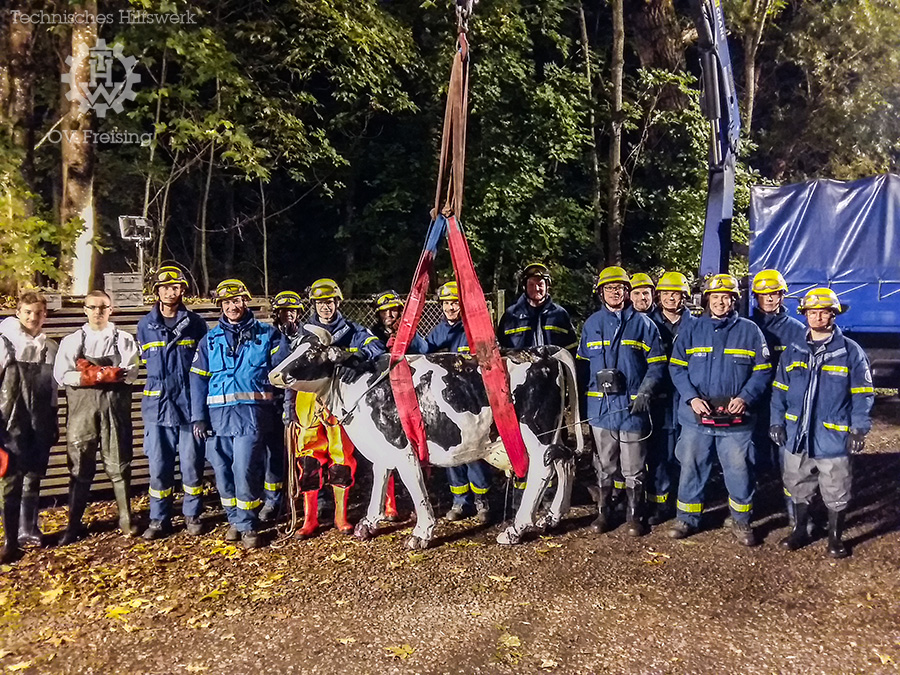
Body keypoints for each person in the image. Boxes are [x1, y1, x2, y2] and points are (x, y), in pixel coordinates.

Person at [667, 274, 772, 546]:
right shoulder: (691, 330)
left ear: (734, 300)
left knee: (739, 468)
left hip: (736, 420)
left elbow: (762, 371)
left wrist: (746, 397)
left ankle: (741, 520)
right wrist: (691, 398)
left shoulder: (750, 331)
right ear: (706, 300)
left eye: (726, 297)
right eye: (715, 297)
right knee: (692, 466)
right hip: (697, 417)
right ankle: (687, 519)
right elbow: (676, 367)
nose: (721, 302)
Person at [770, 288, 873, 558]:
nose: (817, 317)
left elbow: (862, 393)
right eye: (811, 312)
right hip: (797, 433)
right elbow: (779, 389)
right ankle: (800, 530)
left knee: (837, 486)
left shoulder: (850, 351)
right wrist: (776, 422)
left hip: (831, 434)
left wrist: (858, 427)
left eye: (823, 311)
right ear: (804, 315)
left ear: (833, 315)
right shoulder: (793, 349)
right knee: (797, 482)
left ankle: (835, 538)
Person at [190, 279, 288, 549]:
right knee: (222, 471)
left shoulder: (268, 335)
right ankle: (235, 519)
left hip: (251, 417)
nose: (231, 307)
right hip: (217, 419)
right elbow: (197, 381)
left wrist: (283, 406)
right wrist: (198, 416)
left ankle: (247, 525)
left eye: (236, 301)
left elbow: (283, 374)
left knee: (243, 470)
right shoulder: (209, 340)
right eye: (226, 302)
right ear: (220, 306)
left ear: (246, 301)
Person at [291, 279, 385, 538]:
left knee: (341, 459)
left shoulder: (351, 330)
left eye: (330, 302)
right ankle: (309, 520)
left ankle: (340, 518)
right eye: (321, 303)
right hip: (308, 401)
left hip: (338, 400)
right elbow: (283, 363)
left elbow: (376, 347)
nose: (325, 307)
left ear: (337, 302)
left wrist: (351, 356)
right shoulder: (303, 332)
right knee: (308, 461)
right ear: (314, 305)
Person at [577, 266, 666, 537]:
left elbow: (657, 365)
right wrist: (582, 408)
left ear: (627, 291)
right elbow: (582, 368)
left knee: (633, 466)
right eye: (609, 288)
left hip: (632, 408)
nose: (614, 292)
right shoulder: (592, 324)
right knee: (604, 464)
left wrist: (646, 391)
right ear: (601, 292)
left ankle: (634, 515)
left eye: (619, 288)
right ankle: (604, 514)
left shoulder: (643, 324)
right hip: (601, 409)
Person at [54, 290, 141, 544]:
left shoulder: (123, 339)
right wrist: (89, 377)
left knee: (119, 463)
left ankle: (126, 518)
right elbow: (62, 375)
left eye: (103, 307)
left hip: (115, 409)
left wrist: (112, 374)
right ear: (85, 309)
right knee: (80, 466)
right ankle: (73, 524)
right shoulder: (73, 340)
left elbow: (132, 371)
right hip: (82, 412)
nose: (98, 312)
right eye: (93, 307)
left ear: (111, 309)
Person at [137, 266, 209, 540]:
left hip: (189, 407)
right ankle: (159, 519)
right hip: (157, 409)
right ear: (157, 291)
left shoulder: (195, 323)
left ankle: (192, 514)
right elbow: (146, 364)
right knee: (158, 466)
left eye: (175, 287)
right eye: (165, 287)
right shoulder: (145, 325)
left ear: (183, 290)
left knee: (192, 465)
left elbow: (203, 367)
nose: (170, 291)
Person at [426, 281, 492, 523]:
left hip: (472, 403)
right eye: (446, 303)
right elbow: (425, 349)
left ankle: (482, 502)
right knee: (451, 452)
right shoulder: (438, 331)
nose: (450, 307)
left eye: (454, 302)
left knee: (473, 451)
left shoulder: (473, 329)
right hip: (447, 404)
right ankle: (460, 501)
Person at [0, 292, 59, 562]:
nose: (33, 318)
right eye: (27, 312)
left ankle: (29, 529)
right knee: (10, 480)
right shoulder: (4, 342)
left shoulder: (50, 347)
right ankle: (10, 540)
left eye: (38, 313)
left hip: (40, 420)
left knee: (34, 476)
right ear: (18, 313)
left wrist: (54, 417)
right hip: (9, 422)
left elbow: (54, 389)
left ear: (45, 315)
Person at [645, 271, 694, 524]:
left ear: (684, 296)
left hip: (687, 398)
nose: (671, 298)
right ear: (659, 296)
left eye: (675, 293)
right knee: (659, 453)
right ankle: (659, 503)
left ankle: (683, 500)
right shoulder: (647, 323)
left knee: (686, 453)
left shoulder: (696, 324)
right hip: (659, 399)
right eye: (666, 293)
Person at [749, 269, 806, 477]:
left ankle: (790, 498)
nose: (771, 298)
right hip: (754, 398)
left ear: (783, 295)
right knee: (755, 449)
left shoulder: (797, 330)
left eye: (775, 293)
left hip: (784, 400)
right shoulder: (747, 326)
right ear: (756, 297)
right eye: (765, 294)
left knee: (787, 452)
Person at [261, 290, 305, 524]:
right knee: (273, 453)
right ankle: (273, 499)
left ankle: (307, 497)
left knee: (305, 453)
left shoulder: (306, 337)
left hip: (302, 402)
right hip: (272, 402)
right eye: (284, 311)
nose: (289, 315)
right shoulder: (268, 336)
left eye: (293, 311)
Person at [497, 263, 577, 351]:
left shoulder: (559, 315)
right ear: (524, 287)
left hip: (551, 364)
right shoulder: (511, 315)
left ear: (547, 286)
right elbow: (500, 351)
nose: (536, 288)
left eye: (540, 284)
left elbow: (571, 351)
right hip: (520, 364)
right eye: (531, 284)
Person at [370, 290, 427, 354]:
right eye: (384, 311)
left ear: (400, 311)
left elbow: (424, 349)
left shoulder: (407, 328)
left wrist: (407, 332)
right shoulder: (374, 332)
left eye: (393, 310)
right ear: (378, 314)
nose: (389, 314)